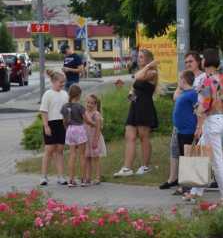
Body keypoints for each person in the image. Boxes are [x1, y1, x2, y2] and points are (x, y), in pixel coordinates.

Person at [184, 48, 223, 204]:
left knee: (216, 160)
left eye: (203, 58)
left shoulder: (207, 81)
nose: (202, 61)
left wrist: (198, 119)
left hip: (212, 121)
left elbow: (204, 105)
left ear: (207, 61)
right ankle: (195, 192)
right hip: (222, 119)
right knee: (200, 152)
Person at [159, 51, 206, 190]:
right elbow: (176, 97)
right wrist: (181, 83)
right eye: (186, 62)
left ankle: (193, 183)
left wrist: (199, 125)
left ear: (198, 62)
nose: (188, 64)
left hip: (191, 125)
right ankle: (175, 178)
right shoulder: (185, 82)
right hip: (181, 125)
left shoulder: (202, 78)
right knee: (177, 150)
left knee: (192, 152)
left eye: (190, 61)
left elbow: (200, 103)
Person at [113, 49, 158, 177]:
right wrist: (131, 96)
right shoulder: (139, 72)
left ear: (149, 60)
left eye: (142, 57)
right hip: (135, 106)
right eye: (138, 57)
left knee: (144, 137)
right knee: (130, 136)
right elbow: (132, 89)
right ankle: (127, 168)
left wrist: (149, 65)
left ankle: (145, 166)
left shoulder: (152, 72)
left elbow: (138, 77)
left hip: (145, 106)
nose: (139, 59)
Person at [61, 84, 94, 187]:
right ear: (78, 95)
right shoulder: (80, 107)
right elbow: (86, 120)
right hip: (79, 129)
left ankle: (71, 180)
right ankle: (83, 180)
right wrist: (93, 124)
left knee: (72, 155)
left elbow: (64, 121)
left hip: (70, 130)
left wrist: (67, 128)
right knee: (82, 155)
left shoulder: (65, 106)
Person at [39, 70, 68, 186]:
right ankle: (43, 176)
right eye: (61, 82)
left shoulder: (65, 94)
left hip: (62, 124)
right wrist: (46, 126)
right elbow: (44, 111)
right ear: (53, 81)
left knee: (60, 150)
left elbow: (66, 111)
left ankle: (60, 176)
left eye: (63, 82)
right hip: (50, 124)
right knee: (49, 150)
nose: (62, 84)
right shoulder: (48, 94)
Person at [173, 70, 198, 156]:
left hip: (188, 131)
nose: (178, 81)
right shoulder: (183, 93)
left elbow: (198, 110)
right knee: (182, 155)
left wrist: (198, 127)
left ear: (183, 80)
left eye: (179, 79)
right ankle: (184, 169)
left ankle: (188, 169)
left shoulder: (193, 94)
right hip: (181, 131)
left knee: (187, 156)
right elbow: (175, 98)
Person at [84, 94, 107, 185]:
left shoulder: (96, 114)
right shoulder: (85, 113)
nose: (89, 105)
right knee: (87, 158)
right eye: (88, 102)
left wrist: (95, 140)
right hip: (86, 139)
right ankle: (88, 177)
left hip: (94, 138)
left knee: (95, 158)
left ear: (96, 104)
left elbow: (98, 129)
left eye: (92, 103)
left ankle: (97, 177)